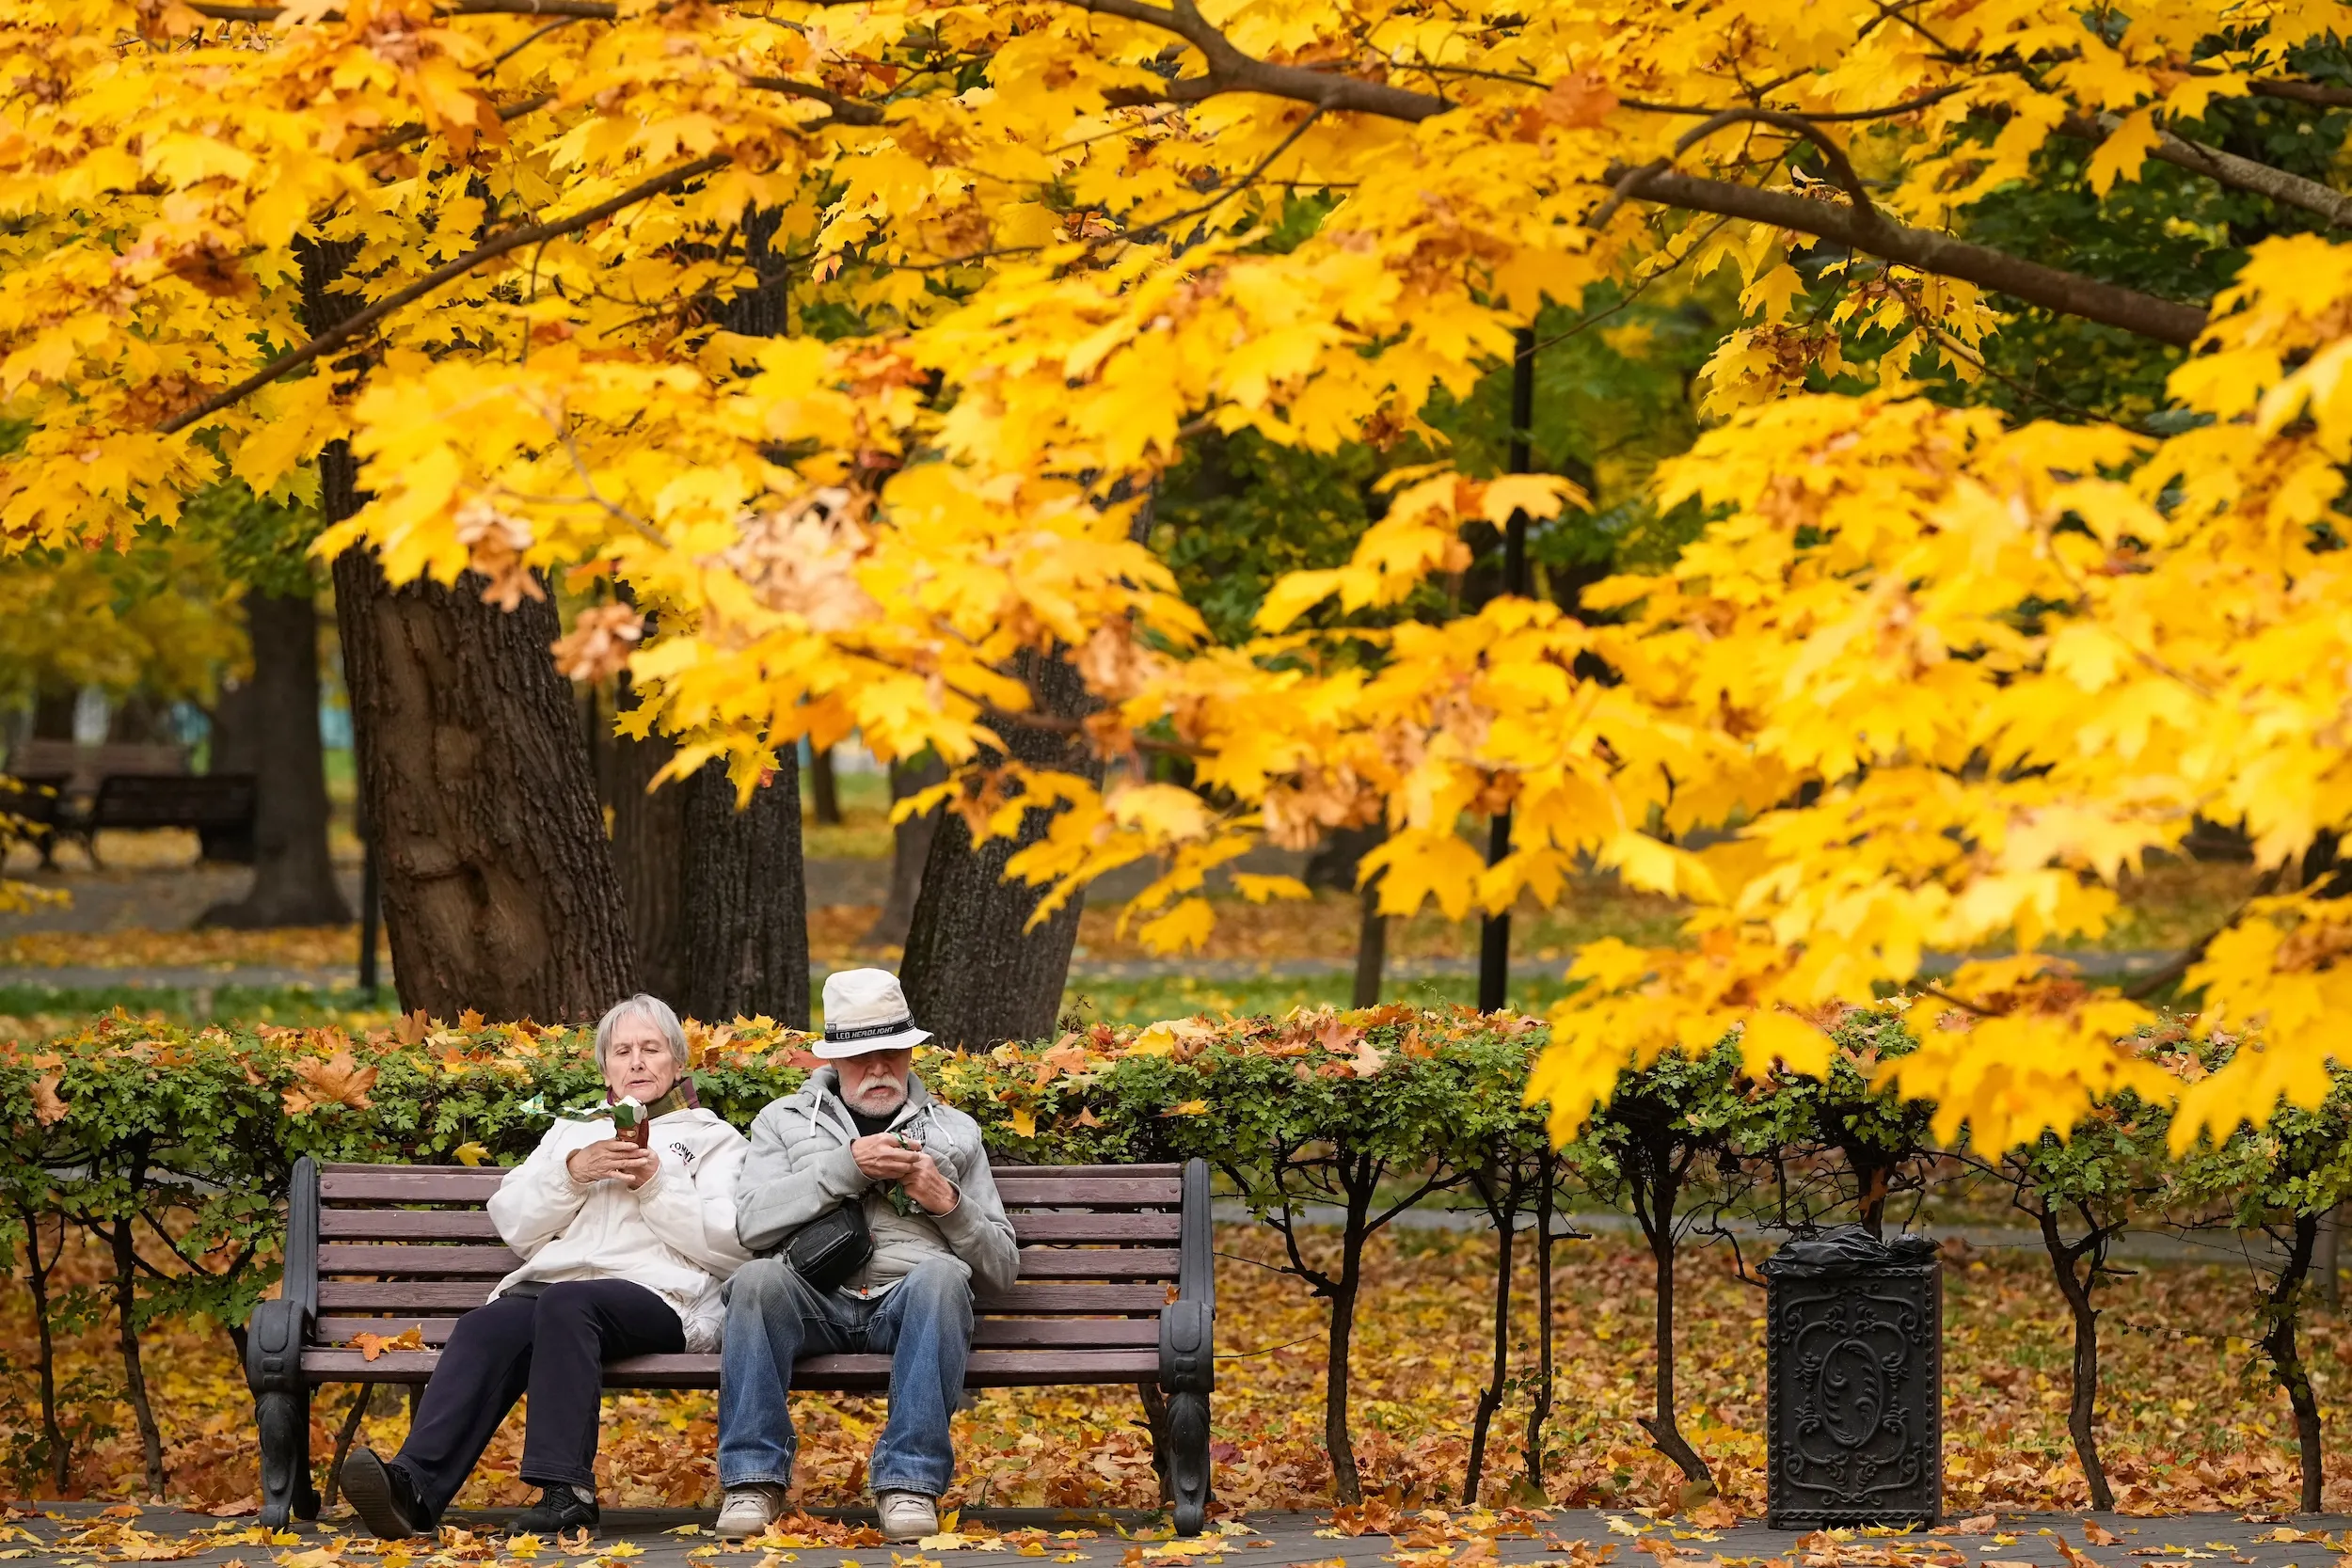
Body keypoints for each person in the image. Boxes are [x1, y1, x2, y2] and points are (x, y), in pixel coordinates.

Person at [341, 994, 751, 1540]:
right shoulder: (572, 1131)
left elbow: (729, 1246)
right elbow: (514, 1222)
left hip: (663, 1298)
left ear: (677, 1063)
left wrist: (656, 1184)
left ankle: (566, 1491)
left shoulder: (715, 1139)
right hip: (559, 1293)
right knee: (489, 1323)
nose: (636, 1063)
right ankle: (413, 1489)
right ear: (604, 1065)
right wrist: (571, 1174)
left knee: (568, 1303)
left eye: (651, 1049)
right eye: (622, 1051)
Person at [714, 968, 1018, 1543]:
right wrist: (844, 1169)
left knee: (943, 1277)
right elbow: (751, 1226)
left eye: (892, 1053)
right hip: (813, 1298)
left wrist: (946, 1201)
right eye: (861, 1057)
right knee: (754, 1280)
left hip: (907, 1301)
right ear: (835, 1060)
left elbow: (1002, 1267)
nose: (878, 1069)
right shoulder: (781, 1121)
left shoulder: (955, 1131)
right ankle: (751, 1480)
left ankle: (908, 1484)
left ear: (909, 1053)